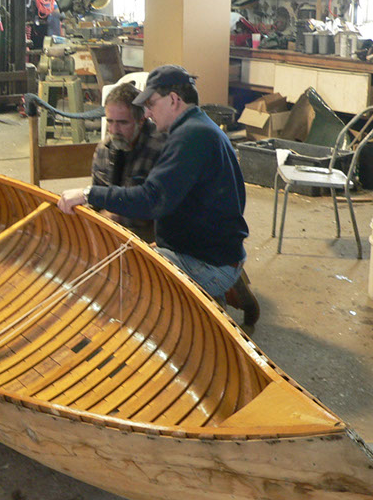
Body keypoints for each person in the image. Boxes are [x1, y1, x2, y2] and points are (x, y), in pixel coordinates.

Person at [58, 64, 259, 326]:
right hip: (208, 252)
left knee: (123, 281)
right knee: (129, 258)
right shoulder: (195, 127)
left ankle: (203, 324)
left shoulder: (190, 136)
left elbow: (152, 200)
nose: (149, 113)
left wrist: (88, 194)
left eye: (152, 104)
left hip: (208, 264)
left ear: (174, 100)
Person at [91, 82, 166, 243]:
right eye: (110, 121)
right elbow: (95, 202)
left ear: (141, 120)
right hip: (110, 231)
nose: (114, 130)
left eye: (122, 123)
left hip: (150, 239)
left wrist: (117, 215)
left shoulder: (161, 149)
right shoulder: (103, 149)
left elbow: (160, 210)